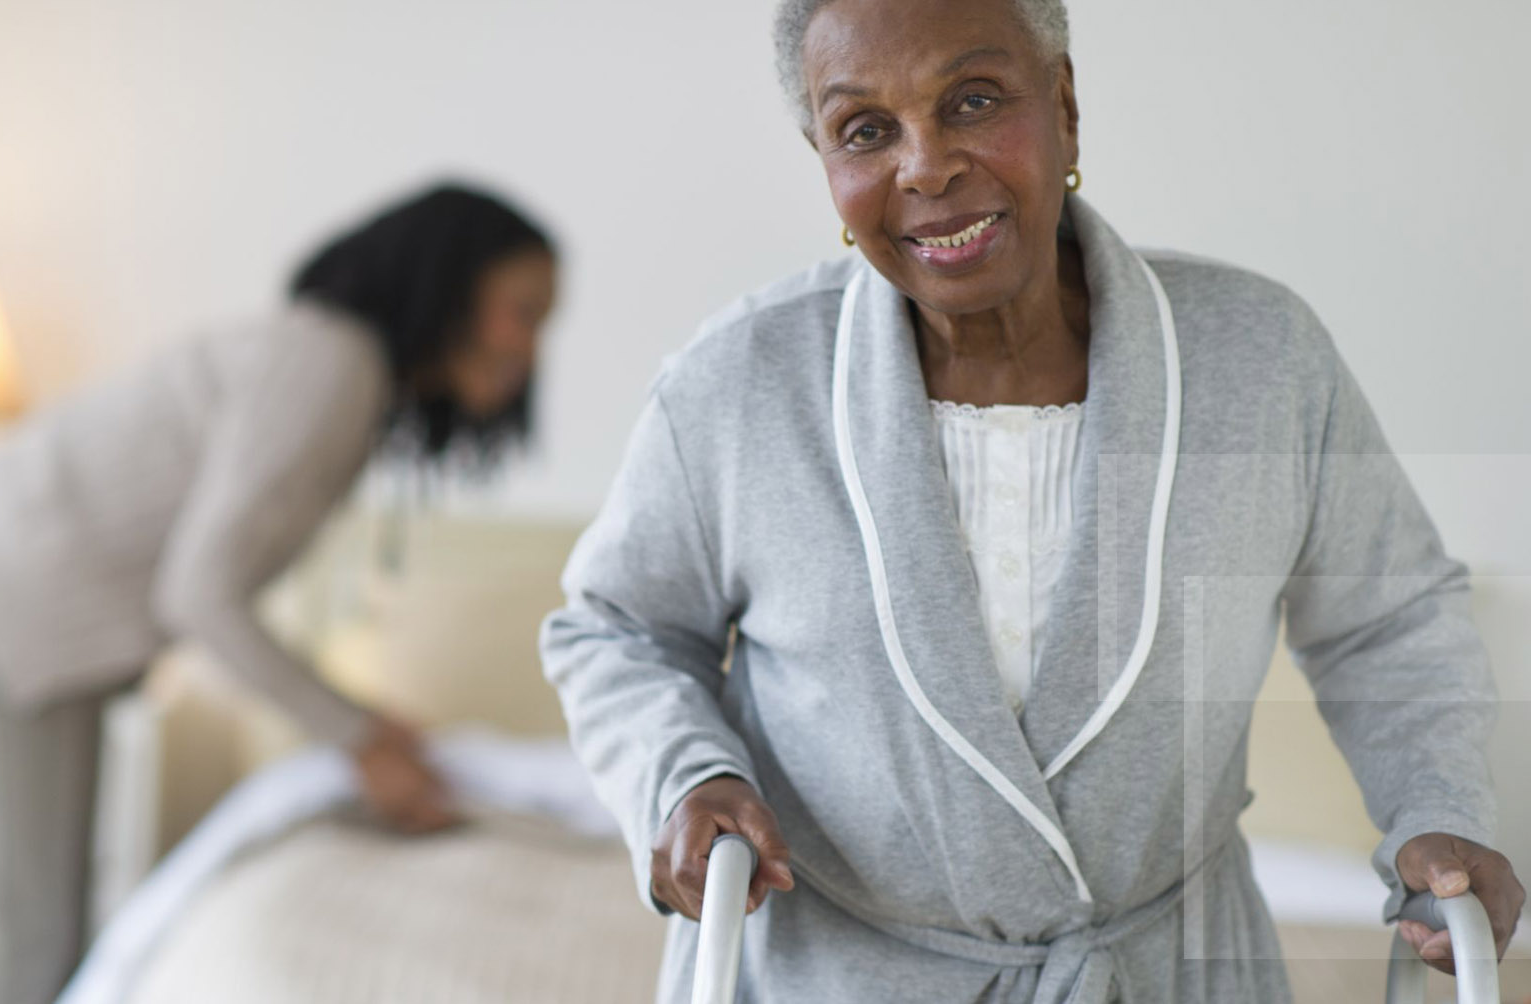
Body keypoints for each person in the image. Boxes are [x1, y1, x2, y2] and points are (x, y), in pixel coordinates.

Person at [539, 2, 1521, 1001]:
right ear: (822, 159)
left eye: (971, 100)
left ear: (1063, 105)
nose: (923, 166)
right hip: (832, 972)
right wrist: (684, 775)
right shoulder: (733, 386)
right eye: (865, 130)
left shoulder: (1259, 359)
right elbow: (617, 627)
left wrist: (1434, 805)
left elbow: (1385, 619)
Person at [0, 182, 558, 1004]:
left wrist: (365, 731)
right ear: (449, 285)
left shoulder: (339, 373)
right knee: (14, 944)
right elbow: (202, 593)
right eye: (522, 311)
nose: (531, 347)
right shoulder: (329, 365)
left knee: (28, 933)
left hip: (33, 616)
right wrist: (359, 739)